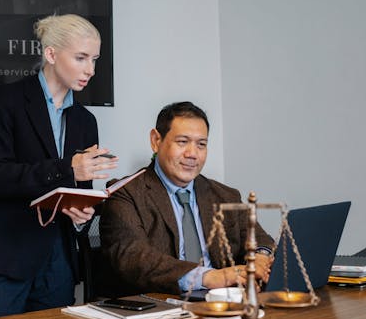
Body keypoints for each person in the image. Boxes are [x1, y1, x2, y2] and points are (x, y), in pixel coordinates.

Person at [0, 14, 118, 319]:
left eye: (95, 59)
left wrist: (81, 213)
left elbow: (76, 191)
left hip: (58, 262)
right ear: (51, 54)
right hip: (3, 258)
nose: (91, 70)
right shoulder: (3, 101)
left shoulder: (86, 121)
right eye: (81, 58)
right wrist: (68, 170)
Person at [100, 101, 274, 295]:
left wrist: (260, 257)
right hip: (159, 306)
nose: (192, 154)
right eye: (182, 142)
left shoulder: (225, 195)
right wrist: (209, 277)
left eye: (201, 144)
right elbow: (134, 258)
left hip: (222, 304)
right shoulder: (125, 194)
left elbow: (261, 238)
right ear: (156, 141)